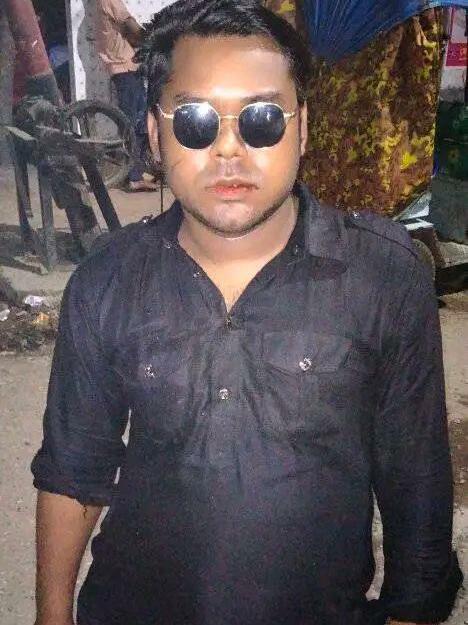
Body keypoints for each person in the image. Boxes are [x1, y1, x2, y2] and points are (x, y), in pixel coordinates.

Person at [32, 1, 462, 624]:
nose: (229, 150)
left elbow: (415, 484)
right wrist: (51, 616)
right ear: (154, 133)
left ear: (302, 127)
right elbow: (73, 469)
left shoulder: (383, 278)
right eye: (195, 122)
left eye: (261, 119)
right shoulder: (107, 281)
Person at [96, 0, 158, 192]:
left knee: (132, 122)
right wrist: (155, 38)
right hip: (125, 67)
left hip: (123, 68)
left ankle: (133, 173)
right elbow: (131, 27)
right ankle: (134, 177)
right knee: (134, 123)